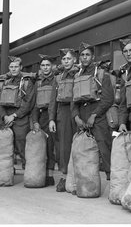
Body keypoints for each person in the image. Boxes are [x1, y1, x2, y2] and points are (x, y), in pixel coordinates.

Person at [71, 42, 114, 180]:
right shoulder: (76, 76)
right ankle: (85, 181)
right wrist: (76, 117)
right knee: (82, 150)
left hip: (97, 114)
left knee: (104, 147)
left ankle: (111, 179)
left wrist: (94, 115)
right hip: (82, 115)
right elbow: (74, 100)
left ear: (93, 57)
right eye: (82, 55)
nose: (84, 58)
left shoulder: (102, 74)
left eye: (87, 55)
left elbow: (108, 99)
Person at [48, 48, 79, 192]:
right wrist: (51, 119)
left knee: (79, 146)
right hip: (63, 113)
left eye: (69, 59)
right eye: (64, 59)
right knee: (64, 148)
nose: (66, 61)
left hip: (78, 113)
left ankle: (78, 179)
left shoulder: (80, 75)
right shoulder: (58, 78)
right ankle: (65, 177)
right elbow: (53, 102)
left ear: (74, 60)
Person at [0, 56, 35, 170]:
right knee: (7, 147)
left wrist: (14, 116)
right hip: (7, 118)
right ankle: (8, 171)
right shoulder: (6, 82)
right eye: (11, 67)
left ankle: (29, 171)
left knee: (22, 145)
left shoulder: (27, 82)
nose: (13, 69)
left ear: (21, 67)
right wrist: (4, 116)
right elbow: (0, 102)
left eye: (16, 67)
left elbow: (28, 103)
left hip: (20, 119)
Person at [32, 54, 58, 187]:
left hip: (53, 117)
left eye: (48, 65)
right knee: (42, 147)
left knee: (51, 147)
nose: (45, 68)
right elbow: (35, 105)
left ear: (52, 67)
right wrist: (35, 121)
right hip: (42, 117)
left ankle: (50, 175)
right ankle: (42, 173)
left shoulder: (56, 80)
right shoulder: (38, 83)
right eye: (43, 65)